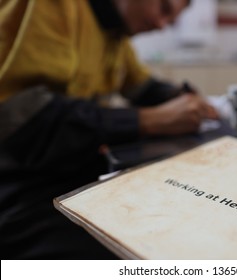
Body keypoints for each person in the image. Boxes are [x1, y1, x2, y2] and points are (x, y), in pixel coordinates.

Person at [0, 0, 217, 259]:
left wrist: (179, 97)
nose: (161, 25)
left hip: (66, 167)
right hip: (20, 180)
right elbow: (22, 121)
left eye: (171, 22)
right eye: (163, 8)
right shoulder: (54, 5)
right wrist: (151, 119)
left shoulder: (115, 34)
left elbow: (142, 86)